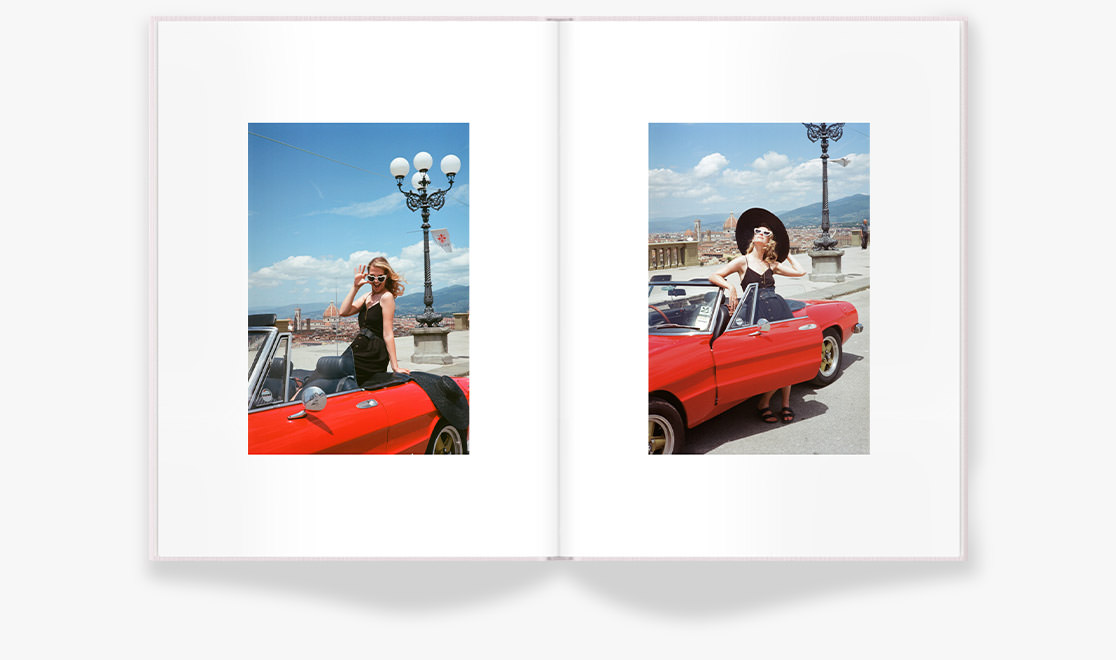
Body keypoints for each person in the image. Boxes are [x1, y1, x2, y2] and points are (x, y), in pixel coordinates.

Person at [709, 208, 805, 424]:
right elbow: (714, 275)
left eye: (767, 232)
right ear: (753, 236)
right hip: (755, 312)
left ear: (771, 240)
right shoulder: (742, 261)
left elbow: (801, 272)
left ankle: (785, 404)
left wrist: (787, 253)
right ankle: (764, 402)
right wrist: (730, 287)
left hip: (778, 310)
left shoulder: (771, 264)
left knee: (787, 358)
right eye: (758, 230)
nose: (761, 233)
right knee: (769, 361)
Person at [339, 256, 410, 386]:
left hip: (373, 353)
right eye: (371, 277)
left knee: (337, 372)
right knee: (328, 370)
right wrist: (355, 287)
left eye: (380, 277)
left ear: (387, 277)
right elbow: (343, 312)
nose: (376, 281)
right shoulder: (366, 297)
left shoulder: (386, 297)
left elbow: (388, 333)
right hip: (358, 348)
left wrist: (395, 366)